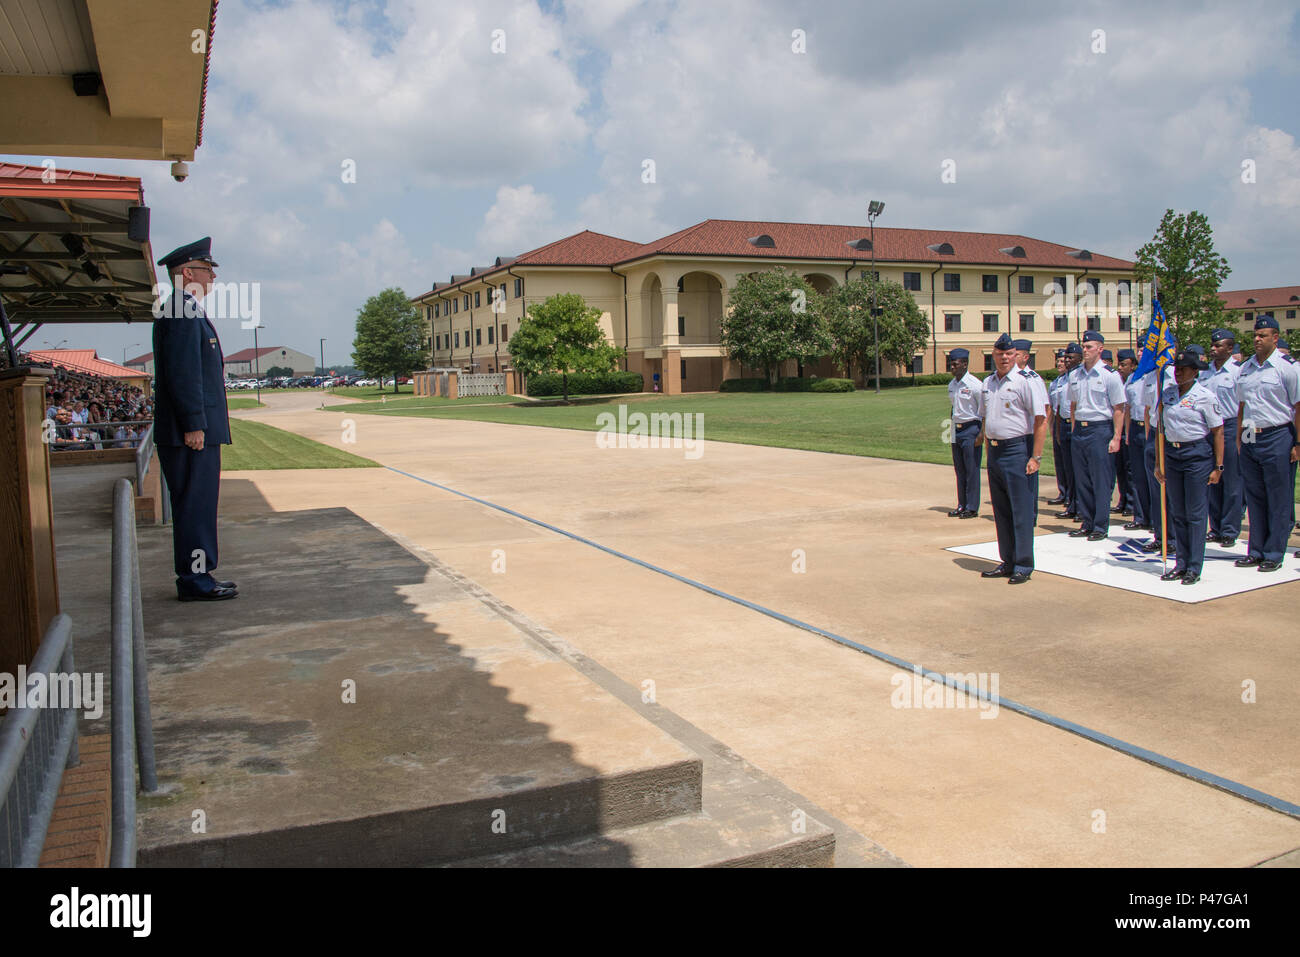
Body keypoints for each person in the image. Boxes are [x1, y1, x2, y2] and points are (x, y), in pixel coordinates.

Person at [153, 237, 237, 601]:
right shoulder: (181, 311)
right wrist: (194, 423)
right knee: (194, 506)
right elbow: (183, 373)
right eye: (207, 270)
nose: (213, 278)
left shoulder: (183, 309)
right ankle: (195, 580)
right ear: (187, 272)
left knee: (198, 505)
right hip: (189, 431)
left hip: (192, 427)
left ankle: (200, 575)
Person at [978, 333, 1047, 585]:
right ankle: (1007, 560)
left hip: (1017, 450)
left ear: (1015, 355)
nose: (1004, 358)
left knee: (1021, 510)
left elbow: (1040, 420)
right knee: (1002, 511)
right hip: (995, 452)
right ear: (994, 355)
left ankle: (1023, 564)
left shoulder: (1025, 382)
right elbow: (987, 419)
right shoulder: (988, 383)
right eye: (999, 354)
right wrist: (988, 450)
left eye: (1008, 354)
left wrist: (1035, 456)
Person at [1234, 316, 1300, 572]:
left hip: (1277, 434)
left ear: (1275, 337)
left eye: (1263, 335)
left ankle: (1274, 551)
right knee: (1255, 495)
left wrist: (1297, 442)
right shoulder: (1247, 367)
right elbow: (1242, 405)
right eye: (1255, 335)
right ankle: (1256, 549)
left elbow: (1297, 407)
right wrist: (1240, 437)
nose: (1257, 339)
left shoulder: (1288, 367)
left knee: (1278, 496)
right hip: (1250, 434)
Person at [1153, 351, 1224, 585]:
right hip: (1173, 456)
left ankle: (1194, 566)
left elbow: (1217, 432)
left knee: (1195, 513)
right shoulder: (1168, 394)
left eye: (1184, 369)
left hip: (1196, 456)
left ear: (1195, 372)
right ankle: (1180, 563)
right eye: (1177, 368)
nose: (1178, 372)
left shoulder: (1205, 396)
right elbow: (1160, 430)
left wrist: (1218, 466)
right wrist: (1158, 462)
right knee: (1178, 511)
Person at [1067, 330, 1127, 541]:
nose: (1085, 350)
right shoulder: (1075, 374)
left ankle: (1100, 525)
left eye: (1089, 347)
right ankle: (1087, 521)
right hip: (1080, 430)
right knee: (1082, 478)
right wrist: (1075, 430)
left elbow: (1118, 408)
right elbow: (1073, 405)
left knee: (1100, 479)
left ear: (1100, 349)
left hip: (1100, 429)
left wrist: (1116, 437)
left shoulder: (1109, 375)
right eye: (1083, 346)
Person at [1200, 329, 1243, 547]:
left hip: (1230, 427)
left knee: (1232, 481)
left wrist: (1243, 437)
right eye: (1213, 345)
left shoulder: (1238, 371)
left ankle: (1229, 529)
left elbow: (1246, 405)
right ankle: (1215, 527)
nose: (1214, 348)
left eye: (1218, 346)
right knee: (1212, 479)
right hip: (1208, 430)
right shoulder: (1205, 373)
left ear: (1230, 348)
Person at [1013, 340, 1049, 525]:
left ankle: (1030, 516)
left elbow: (1043, 411)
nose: (1011, 357)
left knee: (1028, 477)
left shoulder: (1032, 379)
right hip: (1013, 436)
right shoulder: (1010, 377)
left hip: (1027, 434)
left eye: (1016, 354)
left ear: (1025, 357)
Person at [946, 348, 984, 518]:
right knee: (959, 469)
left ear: (965, 364)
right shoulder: (952, 385)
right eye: (951, 364)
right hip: (956, 428)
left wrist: (981, 434)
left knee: (972, 469)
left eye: (955, 364)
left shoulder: (975, 385)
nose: (952, 367)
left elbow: (984, 411)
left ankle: (972, 506)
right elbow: (953, 409)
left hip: (971, 428)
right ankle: (961, 504)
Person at [1118, 349, 1151, 532]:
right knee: (1137, 475)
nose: (1141, 353)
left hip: (1152, 429)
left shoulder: (1156, 375)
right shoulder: (1133, 378)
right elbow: (1128, 407)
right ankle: (1140, 516)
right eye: (1139, 350)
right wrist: (1128, 432)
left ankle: (1156, 519)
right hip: (1136, 428)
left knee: (1153, 476)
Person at [1053, 343, 1083, 520]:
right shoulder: (1063, 379)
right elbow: (1058, 407)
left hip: (1078, 426)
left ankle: (1081, 507)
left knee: (1078, 470)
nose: (1066, 361)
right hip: (1063, 424)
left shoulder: (1080, 376)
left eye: (1070, 357)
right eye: (1066, 358)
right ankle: (1071, 504)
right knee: (1068, 470)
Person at [1046, 351, 1070, 506]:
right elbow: (1051, 407)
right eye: (1058, 361)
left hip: (1069, 422)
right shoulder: (1055, 383)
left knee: (1070, 462)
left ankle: (1072, 496)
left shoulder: (1071, 381)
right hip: (1057, 423)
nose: (1060, 364)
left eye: (1062, 360)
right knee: (1059, 461)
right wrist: (1051, 426)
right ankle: (1063, 491)